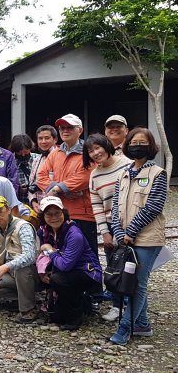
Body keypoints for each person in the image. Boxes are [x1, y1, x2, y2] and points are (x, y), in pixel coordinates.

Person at [109, 127, 167, 346]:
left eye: (142, 143)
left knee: (137, 284)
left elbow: (154, 206)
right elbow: (115, 204)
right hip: (125, 237)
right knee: (130, 281)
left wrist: (130, 231)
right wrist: (118, 230)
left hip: (147, 239)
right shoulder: (124, 173)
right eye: (134, 142)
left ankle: (125, 328)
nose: (137, 146)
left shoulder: (157, 173)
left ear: (150, 146)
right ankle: (142, 324)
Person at [84, 133, 131, 322]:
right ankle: (117, 305)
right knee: (114, 268)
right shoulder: (94, 175)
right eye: (90, 151)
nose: (95, 153)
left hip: (130, 223)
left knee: (132, 269)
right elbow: (97, 206)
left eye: (97, 147)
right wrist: (104, 232)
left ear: (106, 145)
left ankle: (133, 305)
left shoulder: (126, 164)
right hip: (111, 225)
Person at [37, 196, 102, 330]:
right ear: (43, 216)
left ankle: (74, 319)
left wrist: (50, 250)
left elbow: (65, 264)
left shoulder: (74, 234)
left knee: (58, 279)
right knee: (56, 317)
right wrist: (42, 271)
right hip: (69, 270)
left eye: (57, 213)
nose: (53, 217)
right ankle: (83, 303)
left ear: (64, 213)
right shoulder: (45, 231)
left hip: (88, 272)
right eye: (49, 214)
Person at [36, 114, 97, 254]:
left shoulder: (88, 151)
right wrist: (62, 189)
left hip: (83, 214)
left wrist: (58, 188)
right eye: (62, 128)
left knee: (88, 254)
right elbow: (41, 176)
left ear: (80, 130)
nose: (65, 131)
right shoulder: (55, 152)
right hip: (59, 213)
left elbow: (86, 176)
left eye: (70, 127)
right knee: (63, 253)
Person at [0, 196, 39, 324]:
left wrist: (6, 267)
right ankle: (19, 299)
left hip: (33, 274)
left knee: (20, 269)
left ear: (8, 210)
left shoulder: (23, 226)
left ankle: (28, 310)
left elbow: (30, 256)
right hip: (9, 274)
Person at [27, 125, 58, 212]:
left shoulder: (61, 157)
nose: (43, 141)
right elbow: (31, 184)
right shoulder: (37, 159)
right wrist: (33, 201)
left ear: (55, 139)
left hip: (56, 207)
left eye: (47, 138)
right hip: (39, 208)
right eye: (40, 138)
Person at [9, 134, 38, 204]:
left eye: (26, 152)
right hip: (17, 202)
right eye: (19, 152)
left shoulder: (37, 158)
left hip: (37, 201)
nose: (23, 155)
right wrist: (18, 188)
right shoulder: (9, 161)